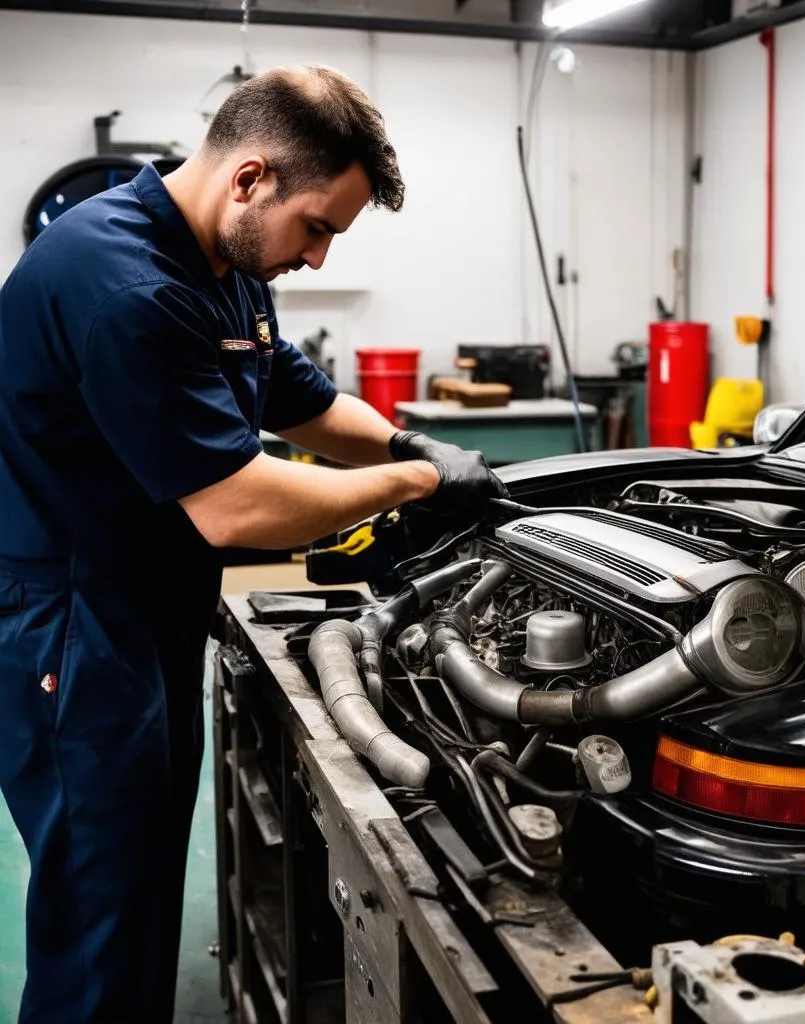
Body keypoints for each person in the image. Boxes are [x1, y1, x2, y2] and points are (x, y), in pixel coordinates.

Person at [0, 64, 506, 1023]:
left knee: (139, 888)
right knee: (97, 922)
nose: (317, 257)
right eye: (316, 227)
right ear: (250, 179)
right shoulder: (124, 283)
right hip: (73, 633)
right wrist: (415, 482)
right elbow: (234, 508)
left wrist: (408, 440)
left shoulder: (220, 269)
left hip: (142, 617)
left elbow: (301, 402)